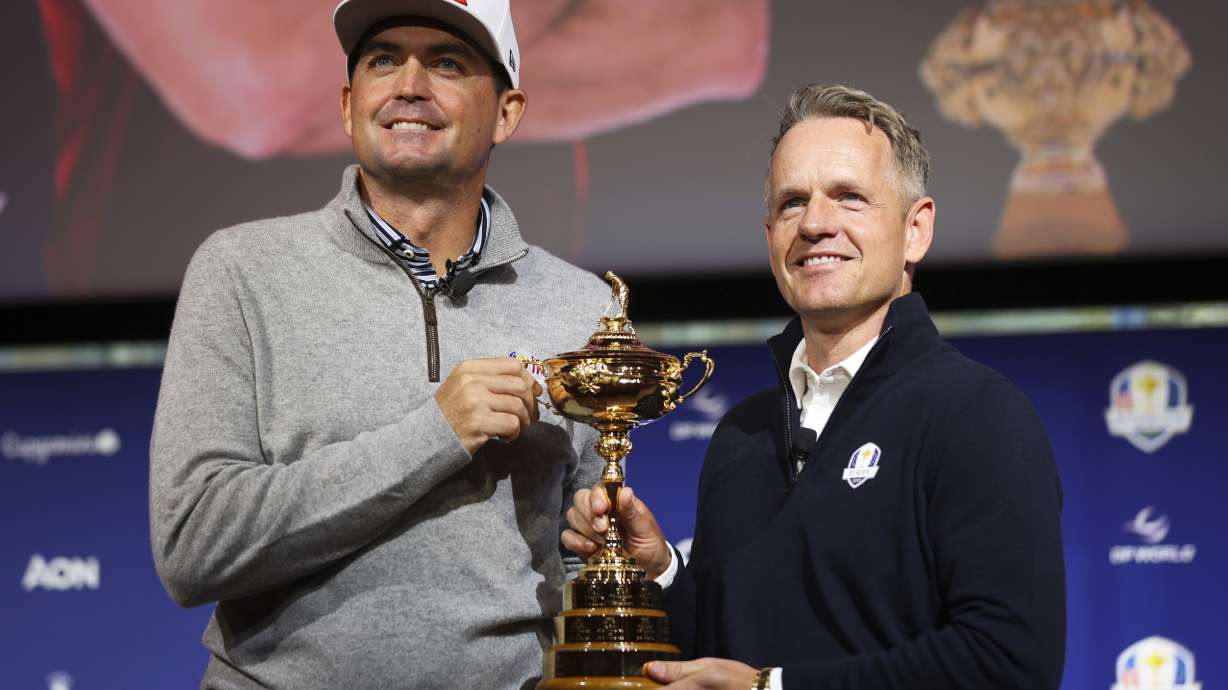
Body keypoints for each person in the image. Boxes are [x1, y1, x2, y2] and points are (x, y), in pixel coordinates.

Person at [149, 1, 611, 687]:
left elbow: (581, 558)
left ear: (508, 111)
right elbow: (194, 544)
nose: (408, 85)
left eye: (447, 62)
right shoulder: (242, 273)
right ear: (347, 103)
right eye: (382, 59)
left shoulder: (582, 308)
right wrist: (436, 434)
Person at [562, 84, 1066, 690]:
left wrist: (771, 688)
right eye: (793, 203)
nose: (817, 224)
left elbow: (1009, 663)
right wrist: (663, 573)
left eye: (850, 197)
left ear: (916, 230)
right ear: (770, 236)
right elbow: (722, 654)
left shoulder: (977, 414)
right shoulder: (741, 435)